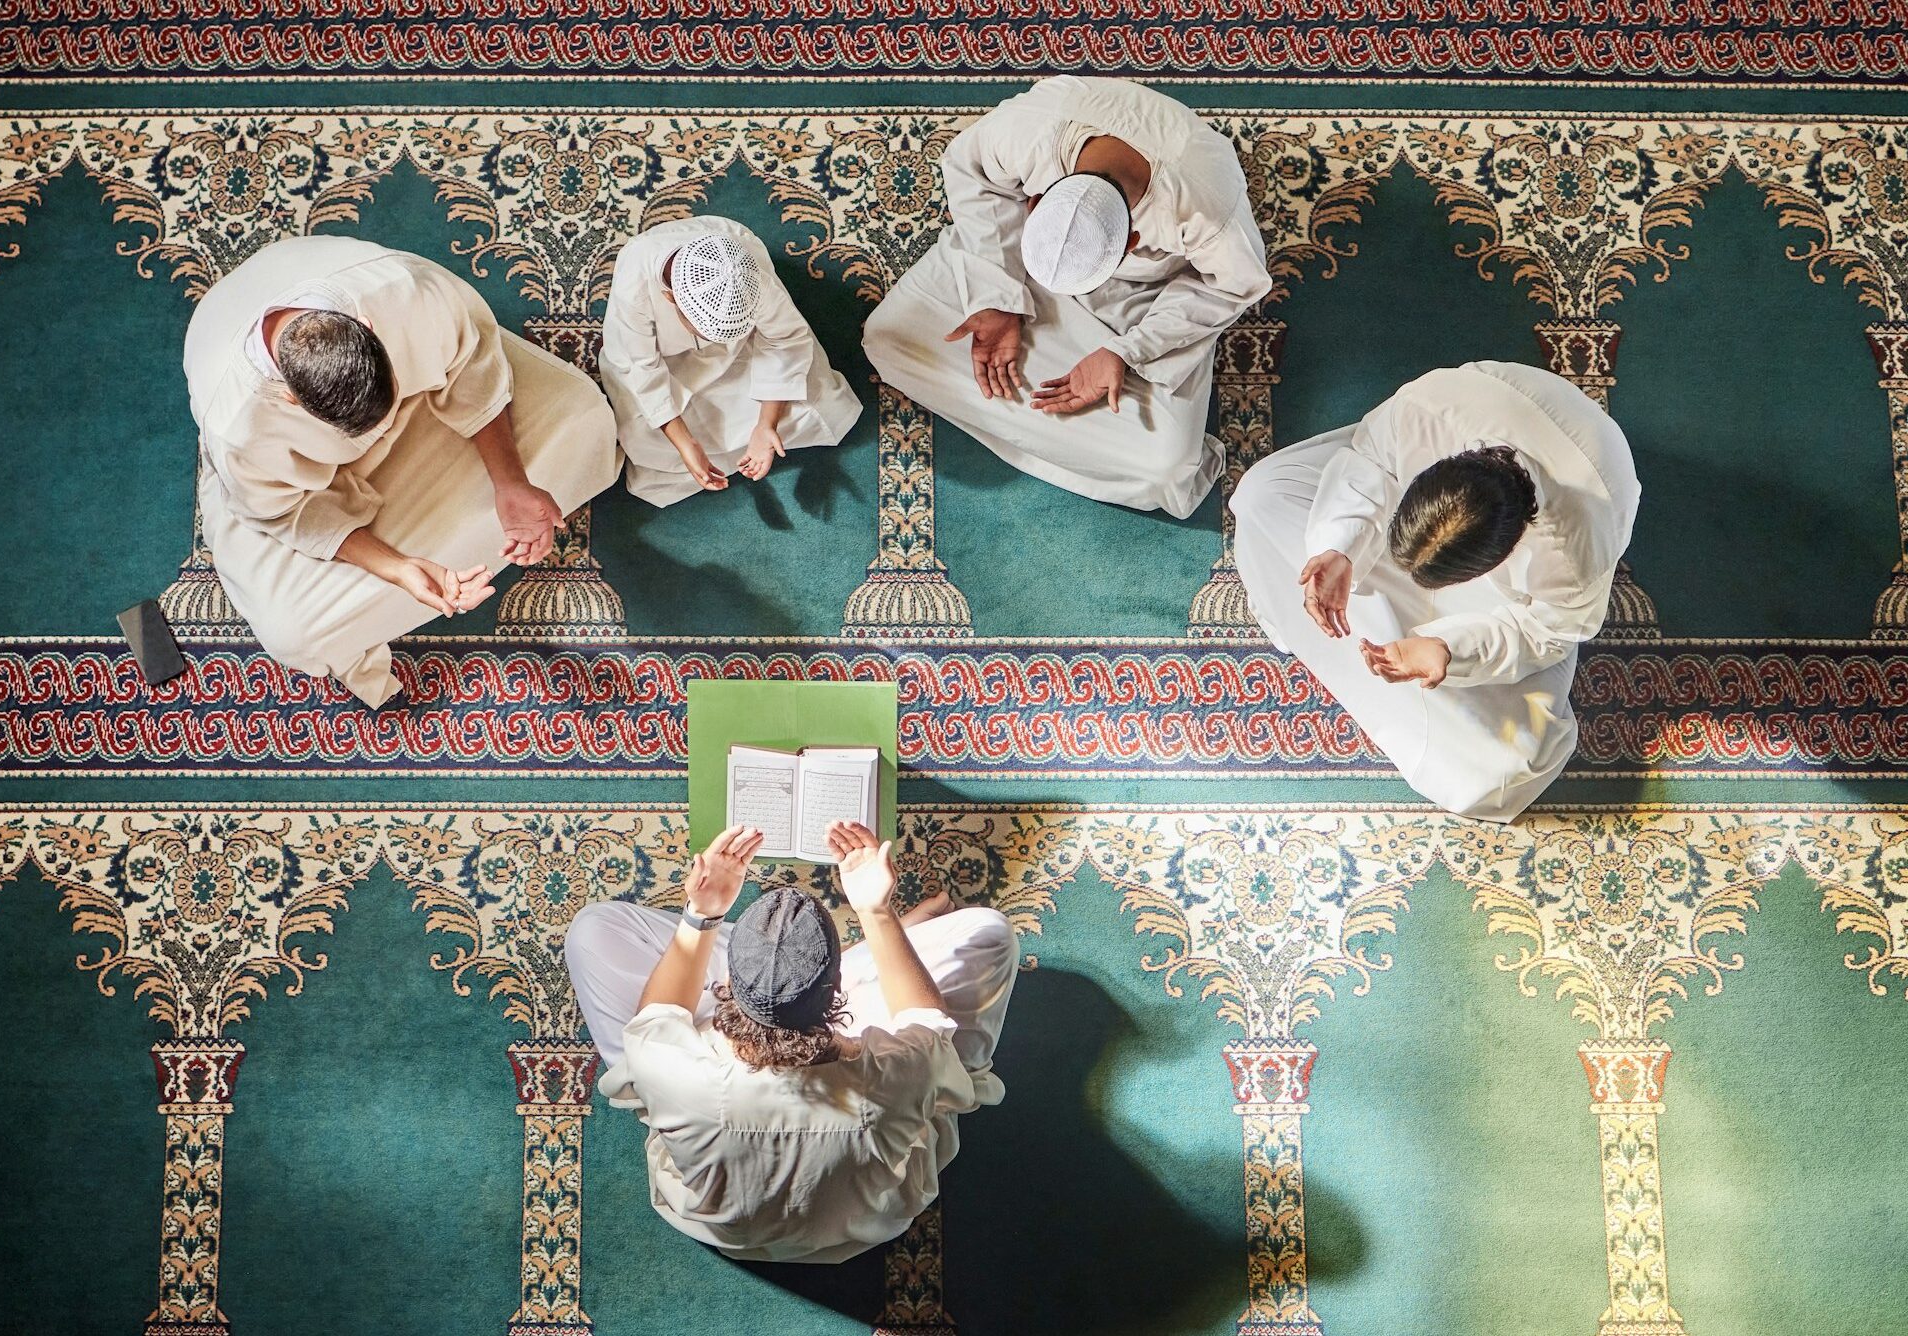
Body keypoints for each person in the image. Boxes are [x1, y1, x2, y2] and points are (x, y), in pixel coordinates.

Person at [184, 234, 621, 706]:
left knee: (588, 418)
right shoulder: (240, 429)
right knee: (294, 636)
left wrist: (509, 481)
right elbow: (285, 511)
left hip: (427, 406)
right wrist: (398, 568)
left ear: (367, 325)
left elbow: (471, 365)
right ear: (291, 398)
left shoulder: (407, 291)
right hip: (301, 483)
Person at [564, 822, 1020, 1263]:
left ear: (726, 985)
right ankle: (867, 958)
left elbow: (656, 1016)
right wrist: (878, 915)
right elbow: (927, 1020)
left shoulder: (672, 1068)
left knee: (592, 931)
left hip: (723, 1221)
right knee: (989, 933)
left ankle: (780, 957)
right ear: (838, 986)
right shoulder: (901, 1066)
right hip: (865, 1219)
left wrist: (702, 914)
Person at [1230, 360, 1640, 822]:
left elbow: (1549, 631)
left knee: (1502, 770)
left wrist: (1450, 649)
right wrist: (1338, 546)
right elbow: (1373, 459)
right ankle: (1361, 602)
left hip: (1511, 605)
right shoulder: (1428, 406)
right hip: (1427, 484)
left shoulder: (1576, 549)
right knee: (1262, 495)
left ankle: (1392, 636)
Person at [864, 75, 1271, 517]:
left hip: (1140, 299)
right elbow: (972, 173)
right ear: (1036, 200)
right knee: (889, 341)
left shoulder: (1207, 210)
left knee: (1166, 470)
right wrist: (996, 297)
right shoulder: (1027, 131)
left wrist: (1125, 352)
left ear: (1132, 241)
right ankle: (1088, 432)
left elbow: (1233, 286)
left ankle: (1109, 414)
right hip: (1021, 261)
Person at [600, 216, 862, 504]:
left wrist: (766, 425)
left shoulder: (748, 274)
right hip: (662, 360)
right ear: (670, 297)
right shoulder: (634, 287)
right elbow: (640, 369)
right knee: (646, 438)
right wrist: (687, 444)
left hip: (741, 350)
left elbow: (784, 339)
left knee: (820, 401)